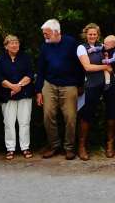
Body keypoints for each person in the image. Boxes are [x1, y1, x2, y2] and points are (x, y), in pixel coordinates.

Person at [36, 19, 82, 160]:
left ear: (57, 32)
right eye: (44, 34)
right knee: (48, 115)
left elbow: (80, 65)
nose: (45, 36)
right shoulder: (45, 46)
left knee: (70, 117)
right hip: (49, 84)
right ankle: (54, 145)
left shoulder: (71, 43)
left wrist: (80, 85)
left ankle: (69, 148)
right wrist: (38, 90)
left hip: (69, 85)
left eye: (47, 34)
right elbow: (41, 69)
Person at [76, 23, 115, 159]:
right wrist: (104, 67)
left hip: (109, 83)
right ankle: (82, 147)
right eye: (90, 34)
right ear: (86, 35)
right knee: (86, 113)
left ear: (98, 35)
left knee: (111, 112)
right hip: (92, 84)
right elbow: (87, 67)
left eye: (95, 34)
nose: (92, 36)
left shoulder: (104, 46)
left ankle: (110, 145)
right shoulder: (82, 48)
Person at [0, 34, 35, 160]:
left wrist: (17, 86)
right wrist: (11, 87)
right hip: (7, 95)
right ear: (6, 46)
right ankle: (10, 148)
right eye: (11, 43)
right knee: (9, 123)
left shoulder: (25, 57)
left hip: (24, 93)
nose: (14, 45)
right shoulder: (1, 59)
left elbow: (29, 74)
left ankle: (25, 147)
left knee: (24, 122)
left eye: (16, 42)